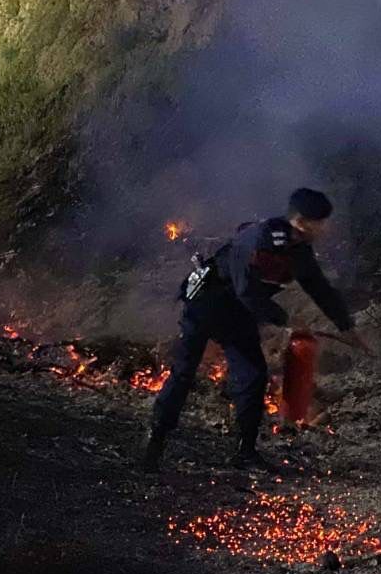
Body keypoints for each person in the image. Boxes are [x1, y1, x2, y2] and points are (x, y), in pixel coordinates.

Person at [139, 187, 365, 471]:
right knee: (184, 371)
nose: (326, 228)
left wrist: (347, 328)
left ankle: (244, 452)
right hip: (208, 302)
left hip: (237, 312)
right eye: (322, 221)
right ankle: (155, 439)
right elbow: (247, 291)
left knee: (253, 376)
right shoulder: (258, 239)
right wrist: (285, 319)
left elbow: (321, 290)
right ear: (303, 222)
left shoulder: (299, 251)